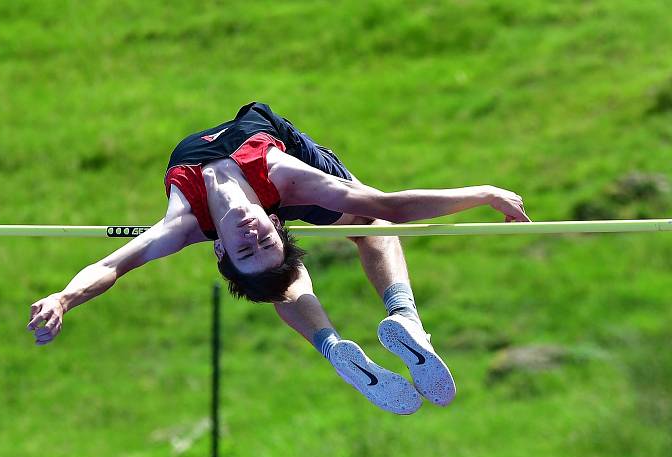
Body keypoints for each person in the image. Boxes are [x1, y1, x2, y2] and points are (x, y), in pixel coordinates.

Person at [27, 101, 530, 415]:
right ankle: (387, 325)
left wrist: (64, 298)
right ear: (278, 225)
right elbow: (387, 207)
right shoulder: (281, 178)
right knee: (344, 238)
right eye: (264, 240)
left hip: (261, 169)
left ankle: (365, 335)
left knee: (339, 238)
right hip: (271, 153)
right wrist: (482, 193)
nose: (253, 231)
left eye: (247, 246)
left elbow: (112, 265)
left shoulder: (185, 223)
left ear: (220, 246)